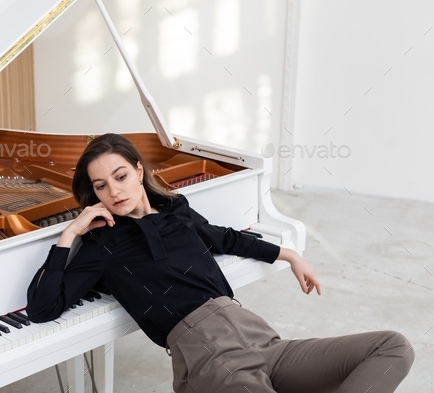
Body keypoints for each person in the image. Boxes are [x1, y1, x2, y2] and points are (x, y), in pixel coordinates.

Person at [26, 133, 414, 393]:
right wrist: (69, 235)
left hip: (263, 341)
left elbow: (223, 238)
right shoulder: (101, 244)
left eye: (121, 176)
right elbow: (43, 308)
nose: (114, 191)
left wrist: (288, 253)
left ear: (139, 171)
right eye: (100, 186)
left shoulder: (176, 211)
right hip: (209, 357)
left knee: (393, 347)